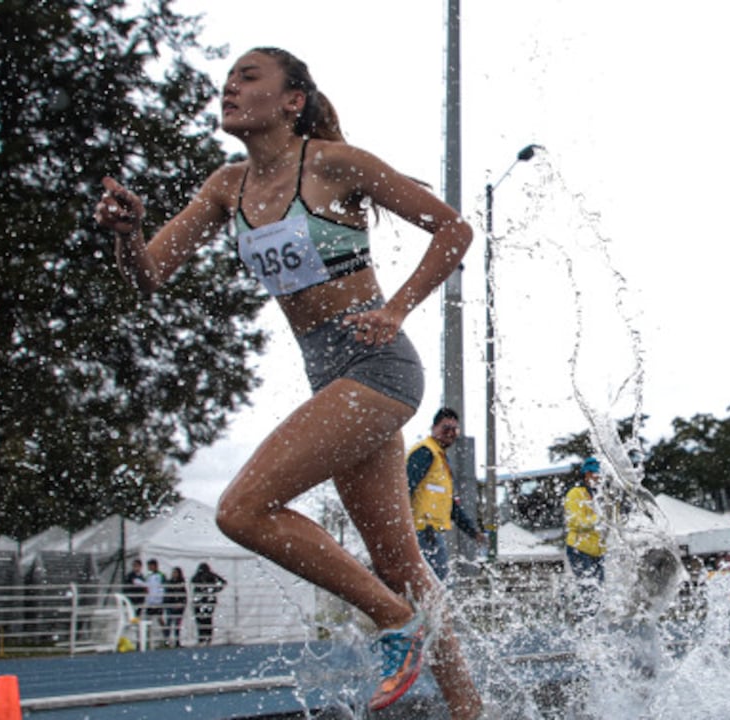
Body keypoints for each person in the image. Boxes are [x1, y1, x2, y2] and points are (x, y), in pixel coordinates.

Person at [94, 47, 479, 716]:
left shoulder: (334, 163)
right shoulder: (226, 186)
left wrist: (394, 310)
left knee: (241, 510)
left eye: (248, 78)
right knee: (402, 563)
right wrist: (126, 236)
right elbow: (149, 275)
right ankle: (470, 709)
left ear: (292, 100)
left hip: (378, 369)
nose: (230, 90)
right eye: (227, 81)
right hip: (329, 379)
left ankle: (393, 622)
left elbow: (453, 229)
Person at [406, 407, 486, 582]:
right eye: (445, 428)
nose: (450, 433)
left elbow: (449, 505)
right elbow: (405, 489)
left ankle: (419, 609)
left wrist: (472, 531)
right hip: (421, 531)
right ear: (434, 428)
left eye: (454, 429)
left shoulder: (441, 458)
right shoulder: (425, 452)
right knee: (436, 583)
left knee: (433, 583)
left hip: (430, 532)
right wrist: (401, 528)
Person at [564, 456, 606, 617]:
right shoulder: (575, 494)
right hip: (579, 549)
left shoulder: (601, 494)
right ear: (587, 474)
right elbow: (574, 522)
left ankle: (591, 624)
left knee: (598, 591)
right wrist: (600, 520)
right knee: (588, 590)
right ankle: (582, 625)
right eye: (597, 474)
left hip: (598, 551)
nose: (600, 478)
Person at [190, 562, 227, 646]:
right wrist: (214, 589)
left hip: (206, 600)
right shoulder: (201, 576)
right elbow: (193, 581)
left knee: (205, 619)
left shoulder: (210, 575)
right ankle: (204, 638)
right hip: (201, 600)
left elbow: (223, 582)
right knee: (203, 619)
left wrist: (214, 590)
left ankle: (205, 638)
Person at [143, 559, 167, 644]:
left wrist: (161, 598)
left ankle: (165, 638)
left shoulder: (161, 575)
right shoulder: (148, 576)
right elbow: (146, 587)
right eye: (148, 566)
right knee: (148, 620)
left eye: (151, 565)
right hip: (150, 601)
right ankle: (147, 639)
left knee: (160, 619)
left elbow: (164, 587)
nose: (149, 567)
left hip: (158, 601)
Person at [164, 566, 188, 647]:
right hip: (170, 605)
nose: (174, 574)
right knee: (169, 624)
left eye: (176, 573)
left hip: (179, 607)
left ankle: (177, 641)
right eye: (173, 573)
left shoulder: (181, 583)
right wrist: (171, 603)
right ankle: (167, 642)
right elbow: (167, 595)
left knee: (177, 625)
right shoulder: (169, 583)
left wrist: (181, 604)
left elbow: (184, 596)